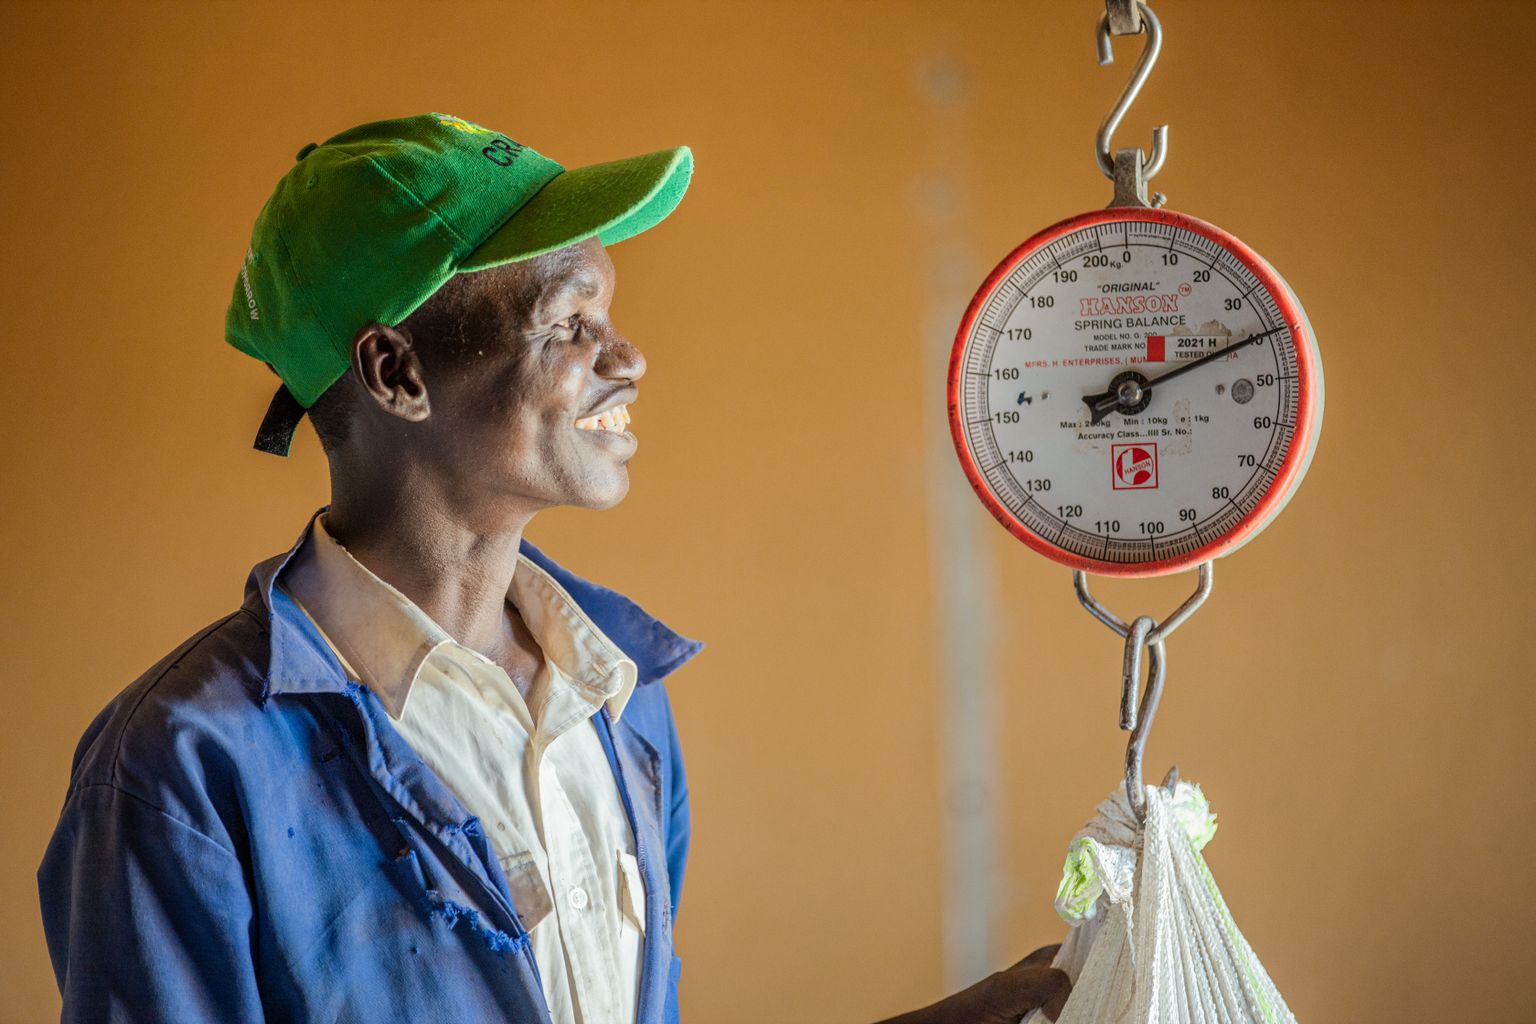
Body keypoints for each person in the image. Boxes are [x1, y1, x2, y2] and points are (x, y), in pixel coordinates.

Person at [37, 113, 1069, 1024]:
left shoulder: (618, 698)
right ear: (396, 373)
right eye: (572, 325)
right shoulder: (182, 770)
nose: (629, 358)